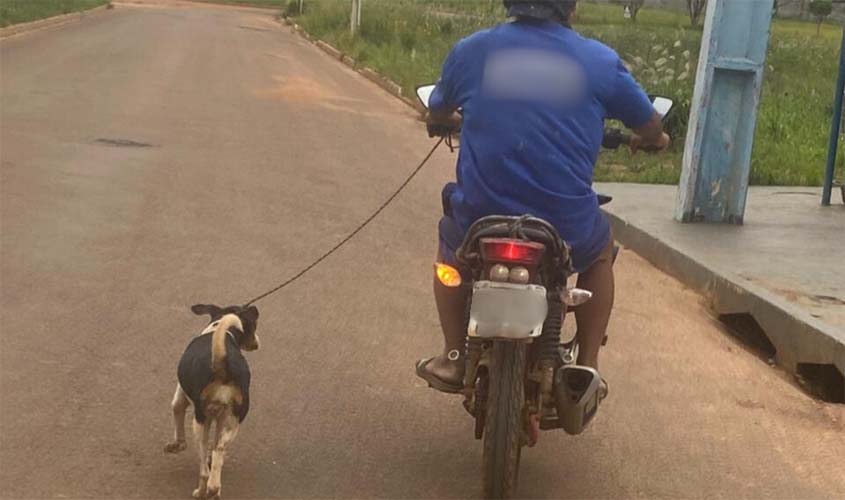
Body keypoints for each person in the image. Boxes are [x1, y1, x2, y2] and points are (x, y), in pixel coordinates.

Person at [415, 0, 670, 397]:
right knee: (600, 250)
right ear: (571, 8)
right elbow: (650, 125)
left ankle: (452, 355)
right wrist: (656, 139)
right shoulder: (599, 61)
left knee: (451, 249)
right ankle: (588, 366)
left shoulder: (472, 51)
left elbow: (438, 109)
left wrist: (445, 120)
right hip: (564, 222)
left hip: (480, 216)